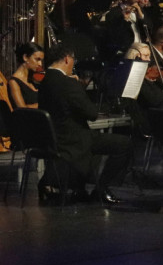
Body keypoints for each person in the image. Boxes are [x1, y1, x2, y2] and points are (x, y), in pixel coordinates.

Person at [37, 43, 131, 204]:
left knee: (96, 140)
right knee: (124, 144)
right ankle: (100, 189)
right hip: (73, 140)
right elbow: (92, 114)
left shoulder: (45, 81)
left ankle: (79, 188)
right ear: (67, 59)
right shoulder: (68, 83)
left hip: (53, 137)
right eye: (73, 60)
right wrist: (79, 86)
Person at [9, 42, 45, 109]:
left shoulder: (34, 78)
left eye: (41, 60)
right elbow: (22, 109)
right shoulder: (14, 82)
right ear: (25, 57)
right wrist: (46, 104)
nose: (40, 64)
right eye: (37, 59)